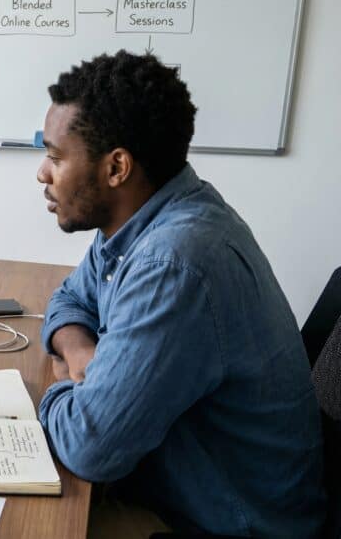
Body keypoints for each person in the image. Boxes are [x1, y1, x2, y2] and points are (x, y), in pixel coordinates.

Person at [35, 50, 325, 537]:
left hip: (227, 524)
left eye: (56, 156)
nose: (42, 173)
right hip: (181, 486)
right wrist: (81, 353)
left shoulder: (173, 262)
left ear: (116, 168)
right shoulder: (142, 220)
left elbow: (91, 448)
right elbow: (69, 300)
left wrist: (51, 393)